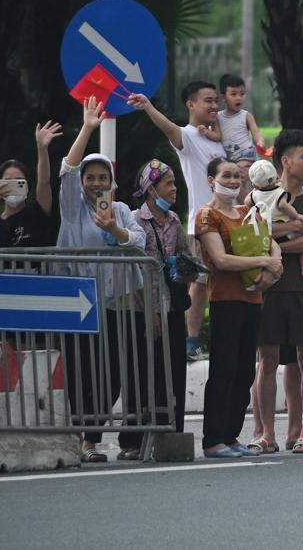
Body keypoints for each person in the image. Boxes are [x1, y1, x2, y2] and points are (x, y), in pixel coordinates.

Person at [58, 97, 147, 462]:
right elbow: (66, 168)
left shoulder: (122, 210)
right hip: (78, 304)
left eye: (103, 178)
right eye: (91, 178)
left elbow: (139, 242)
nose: (97, 183)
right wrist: (89, 129)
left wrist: (116, 231)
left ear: (112, 183)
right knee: (82, 372)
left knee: (112, 373)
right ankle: (88, 440)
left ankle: (92, 428)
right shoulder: (73, 208)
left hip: (115, 304)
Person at [127, 84, 227, 362]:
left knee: (223, 281)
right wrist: (148, 106)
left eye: (215, 100)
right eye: (207, 100)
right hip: (204, 224)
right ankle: (191, 340)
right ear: (190, 105)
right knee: (200, 281)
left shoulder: (218, 139)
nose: (214, 105)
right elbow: (169, 128)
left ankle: (215, 337)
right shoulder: (189, 136)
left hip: (229, 223)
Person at [195, 157, 282, 458]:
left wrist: (274, 266)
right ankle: (213, 439)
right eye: (226, 176)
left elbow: (272, 244)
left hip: (253, 297)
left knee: (245, 371)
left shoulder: (249, 212)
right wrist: (263, 262)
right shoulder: (207, 216)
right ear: (211, 180)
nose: (233, 181)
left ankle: (231, 435)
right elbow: (220, 260)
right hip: (225, 299)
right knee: (224, 369)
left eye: (237, 176)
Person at [252, 130, 303, 454]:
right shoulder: (256, 194)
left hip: (302, 290)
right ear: (285, 160)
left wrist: (275, 247)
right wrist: (287, 235)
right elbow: (251, 232)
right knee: (266, 360)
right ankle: (265, 433)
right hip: (266, 288)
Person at [132, 160, 193, 437]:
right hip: (144, 308)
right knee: (146, 371)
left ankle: (173, 431)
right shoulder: (135, 220)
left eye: (175, 183)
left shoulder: (174, 220)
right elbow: (133, 271)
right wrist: (150, 311)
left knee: (175, 368)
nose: (174, 189)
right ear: (151, 189)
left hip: (173, 305)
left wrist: (186, 269)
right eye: (168, 184)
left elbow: (184, 255)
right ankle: (136, 436)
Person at [0, 121, 62, 249]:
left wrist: (42, 149)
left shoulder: (37, 212)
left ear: (27, 185)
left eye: (19, 181)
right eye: (7, 181)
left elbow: (44, 182)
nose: (13, 186)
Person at [246, 158, 303, 280]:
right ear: (276, 177)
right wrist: (297, 216)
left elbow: (247, 202)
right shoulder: (279, 192)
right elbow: (283, 206)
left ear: (254, 184)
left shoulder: (254, 194)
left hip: (265, 227)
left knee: (269, 248)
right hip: (283, 224)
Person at [215, 74, 265, 168]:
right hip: (229, 156)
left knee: (242, 170)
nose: (239, 98)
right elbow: (217, 136)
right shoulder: (218, 117)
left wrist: (260, 142)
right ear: (223, 97)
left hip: (247, 153)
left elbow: (256, 132)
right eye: (233, 94)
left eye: (242, 94)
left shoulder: (246, 115)